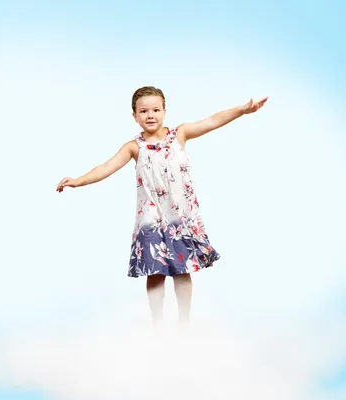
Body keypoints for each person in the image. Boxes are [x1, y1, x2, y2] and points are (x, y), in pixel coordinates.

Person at [56, 86, 268, 326]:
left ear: (165, 111)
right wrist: (77, 181)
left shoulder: (180, 134)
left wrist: (242, 110)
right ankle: (157, 325)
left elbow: (212, 121)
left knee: (181, 269)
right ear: (134, 115)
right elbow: (105, 168)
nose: (150, 115)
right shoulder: (133, 147)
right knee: (155, 271)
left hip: (180, 218)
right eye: (143, 111)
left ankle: (184, 324)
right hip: (151, 219)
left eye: (156, 109)